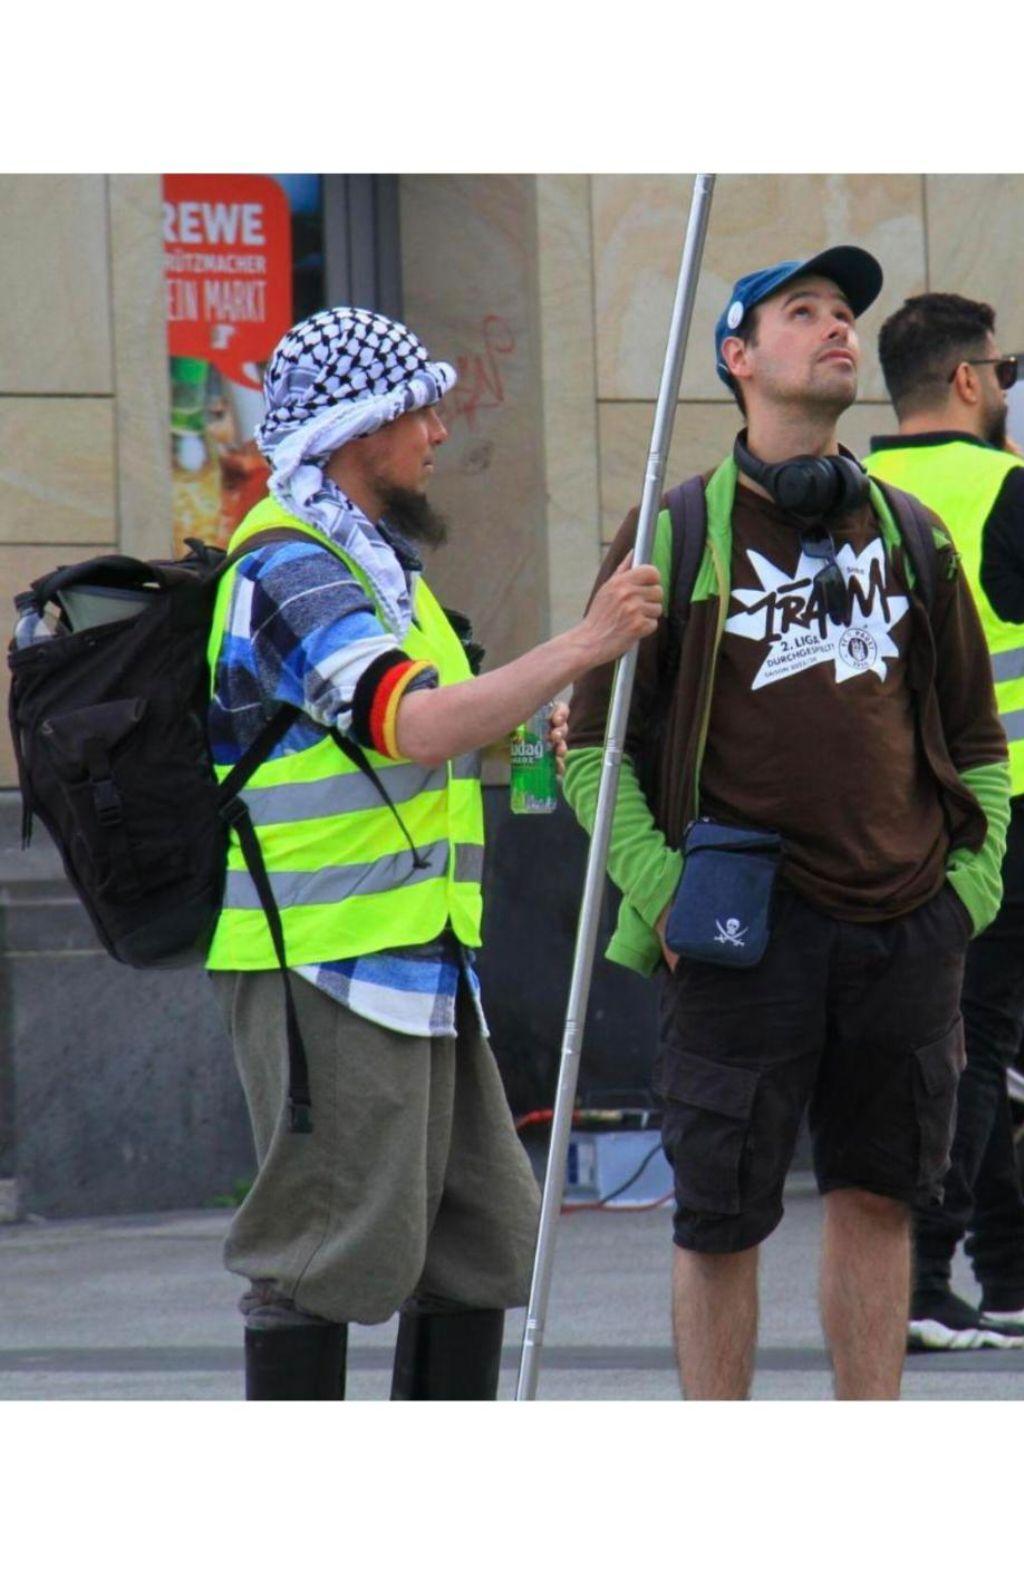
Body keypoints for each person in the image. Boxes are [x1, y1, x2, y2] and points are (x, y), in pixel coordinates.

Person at [564, 248, 1011, 1400]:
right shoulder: (675, 532)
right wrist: (664, 891)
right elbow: (586, 747)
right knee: (719, 1218)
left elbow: (976, 741)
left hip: (905, 929)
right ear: (738, 357)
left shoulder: (913, 533)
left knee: (879, 1199)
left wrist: (966, 896)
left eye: (844, 312)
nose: (836, 328)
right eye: (801, 312)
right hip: (738, 935)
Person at [205, 305, 662, 1400]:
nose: (439, 435)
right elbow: (409, 723)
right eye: (421, 413)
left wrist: (533, 726)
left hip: (424, 960)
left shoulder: (380, 569)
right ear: (359, 430)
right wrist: (584, 645)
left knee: (478, 1242)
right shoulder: (289, 565)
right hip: (323, 962)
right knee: (320, 1254)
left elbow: (449, 730)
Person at [864, 292, 1024, 1350]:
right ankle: (921, 1275)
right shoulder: (1008, 488)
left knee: (965, 1033)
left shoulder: (855, 491)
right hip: (1006, 806)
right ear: (967, 380)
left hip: (890, 810)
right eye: (1001, 374)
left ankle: (1004, 1274)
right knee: (984, 1037)